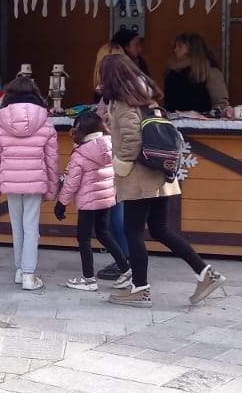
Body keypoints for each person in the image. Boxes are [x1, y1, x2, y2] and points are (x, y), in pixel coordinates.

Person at [100, 52, 226, 308]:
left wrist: (119, 166)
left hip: (139, 176)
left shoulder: (124, 103)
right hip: (162, 173)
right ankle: (205, 273)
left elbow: (131, 141)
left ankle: (140, 289)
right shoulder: (146, 97)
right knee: (160, 229)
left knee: (133, 231)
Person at [0, 74, 59, 292]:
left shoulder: (0, 121)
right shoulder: (45, 121)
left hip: (11, 182)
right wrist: (52, 188)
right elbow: (52, 159)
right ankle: (29, 275)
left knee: (17, 227)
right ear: (34, 94)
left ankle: (19, 270)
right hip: (35, 182)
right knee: (31, 226)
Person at [53, 110, 131, 291]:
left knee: (84, 238)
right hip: (106, 199)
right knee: (104, 234)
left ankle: (88, 279)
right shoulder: (110, 145)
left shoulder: (80, 154)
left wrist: (61, 204)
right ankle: (126, 270)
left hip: (88, 202)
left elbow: (71, 183)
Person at [89, 40, 132, 279]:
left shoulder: (118, 97)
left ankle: (124, 261)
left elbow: (113, 124)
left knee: (117, 209)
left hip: (119, 159)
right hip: (121, 159)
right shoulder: (132, 90)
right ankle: (126, 260)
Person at [164, 32, 229, 115]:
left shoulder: (208, 72)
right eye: (175, 47)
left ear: (192, 49)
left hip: (202, 122)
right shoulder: (171, 71)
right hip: (174, 120)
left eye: (180, 47)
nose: (175, 50)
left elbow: (220, 102)